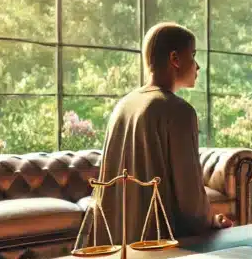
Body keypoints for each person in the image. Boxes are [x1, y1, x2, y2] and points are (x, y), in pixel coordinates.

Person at [98, 23, 232, 241]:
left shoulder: (123, 106)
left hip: (117, 242)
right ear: (175, 59)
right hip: (163, 243)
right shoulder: (179, 111)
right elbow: (190, 199)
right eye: (193, 55)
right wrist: (212, 221)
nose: (197, 66)